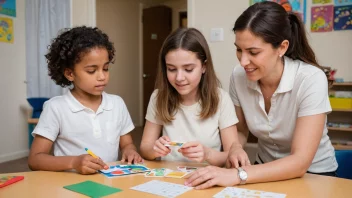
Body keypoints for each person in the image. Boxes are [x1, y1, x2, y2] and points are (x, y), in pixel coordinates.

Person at [185, 1, 337, 189]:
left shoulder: (311, 79)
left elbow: (299, 162)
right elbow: (240, 130)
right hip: (261, 169)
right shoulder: (238, 76)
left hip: (313, 175)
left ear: (282, 48)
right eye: (239, 50)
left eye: (253, 52)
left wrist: (236, 174)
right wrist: (236, 147)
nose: (243, 61)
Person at [28, 26, 143, 175]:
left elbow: (127, 143)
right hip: (70, 185)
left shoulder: (117, 104)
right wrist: (74, 162)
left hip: (107, 181)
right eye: (91, 71)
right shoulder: (56, 107)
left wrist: (130, 151)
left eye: (106, 68)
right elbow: (35, 159)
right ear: (70, 73)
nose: (102, 76)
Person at [139, 28, 249, 167]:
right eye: (172, 69)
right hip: (168, 178)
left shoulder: (221, 99)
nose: (179, 78)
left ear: (204, 66)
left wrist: (207, 154)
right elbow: (145, 148)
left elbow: (231, 155)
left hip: (207, 179)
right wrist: (154, 150)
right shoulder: (158, 97)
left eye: (188, 69)